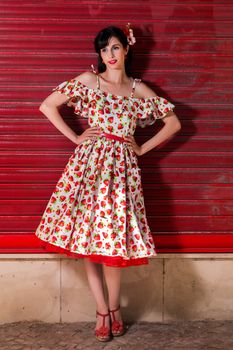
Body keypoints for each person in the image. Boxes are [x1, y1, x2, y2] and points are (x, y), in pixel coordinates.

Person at [35, 24, 181, 342]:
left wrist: (141, 148)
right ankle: (102, 310)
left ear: (126, 49)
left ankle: (115, 308)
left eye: (115, 47)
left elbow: (174, 123)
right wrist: (75, 136)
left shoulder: (138, 90)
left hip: (122, 173)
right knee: (89, 239)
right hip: (88, 169)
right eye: (104, 49)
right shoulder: (90, 81)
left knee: (111, 241)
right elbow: (48, 105)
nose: (109, 55)